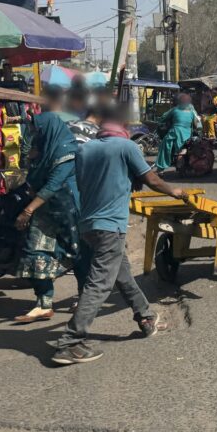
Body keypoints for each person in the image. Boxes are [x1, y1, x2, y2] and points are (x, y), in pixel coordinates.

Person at [52, 110, 185, 365]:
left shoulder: (85, 150)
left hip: (88, 224)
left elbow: (89, 183)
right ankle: (70, 341)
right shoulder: (127, 146)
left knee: (122, 273)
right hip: (110, 224)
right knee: (100, 282)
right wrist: (175, 191)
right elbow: (153, 180)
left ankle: (145, 317)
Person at [13, 113, 82, 323]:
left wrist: (27, 211)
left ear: (49, 129)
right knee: (34, 251)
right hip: (43, 210)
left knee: (77, 253)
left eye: (37, 129)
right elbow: (32, 175)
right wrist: (30, 156)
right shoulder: (42, 149)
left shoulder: (66, 150)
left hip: (66, 209)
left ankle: (86, 296)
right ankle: (43, 303)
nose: (35, 133)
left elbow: (54, 184)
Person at [155, 93, 202, 172]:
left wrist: (160, 122)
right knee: (184, 148)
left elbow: (163, 118)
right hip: (187, 135)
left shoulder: (175, 109)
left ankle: (160, 170)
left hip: (173, 133)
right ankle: (181, 163)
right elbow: (198, 124)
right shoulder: (192, 110)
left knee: (164, 147)